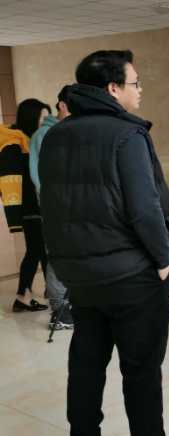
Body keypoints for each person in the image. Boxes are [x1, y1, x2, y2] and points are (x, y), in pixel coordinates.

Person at [38, 50, 169, 436]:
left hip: (80, 275)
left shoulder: (56, 136)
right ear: (112, 88)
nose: (140, 90)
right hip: (132, 277)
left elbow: (51, 205)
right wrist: (163, 260)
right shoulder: (127, 135)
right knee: (141, 367)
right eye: (135, 82)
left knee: (86, 364)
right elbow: (145, 208)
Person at [30, 85, 74, 330]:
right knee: (58, 254)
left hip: (74, 205)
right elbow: (39, 177)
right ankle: (59, 310)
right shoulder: (43, 135)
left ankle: (69, 302)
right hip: (55, 206)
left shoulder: (71, 131)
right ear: (62, 105)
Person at [0, 98, 51, 313]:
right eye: (42, 118)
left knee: (42, 250)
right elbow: (12, 180)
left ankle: (51, 290)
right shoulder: (14, 143)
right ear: (30, 118)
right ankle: (22, 295)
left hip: (39, 205)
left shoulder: (29, 141)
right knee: (36, 250)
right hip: (30, 207)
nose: (45, 122)